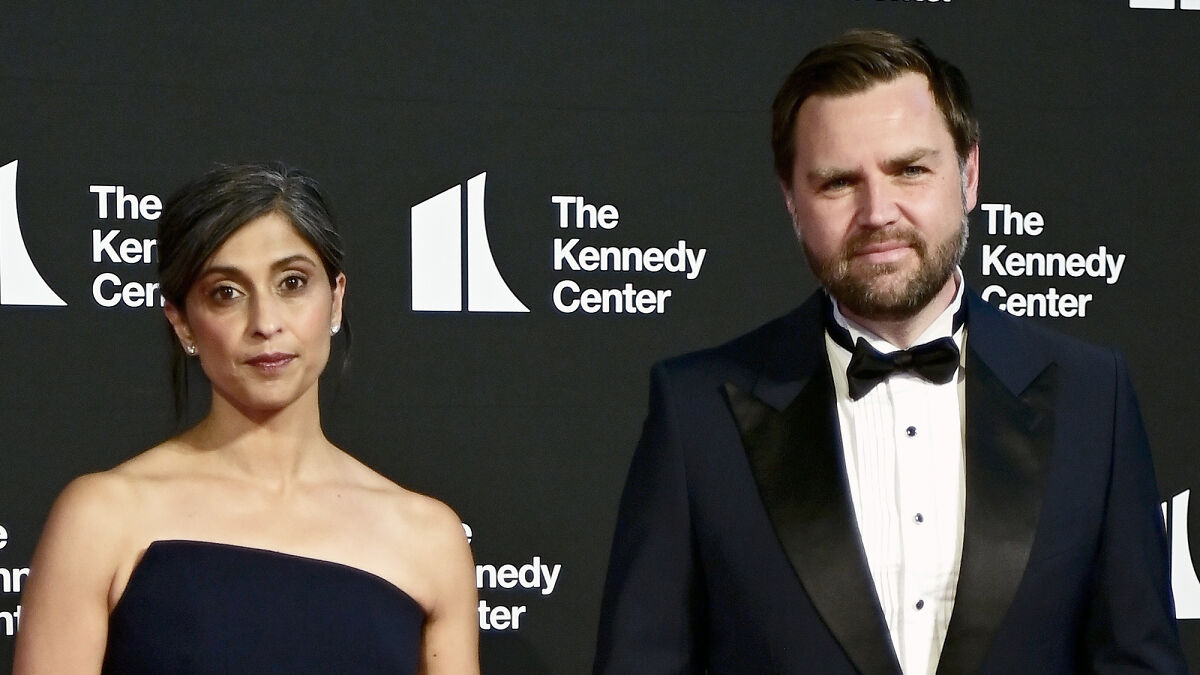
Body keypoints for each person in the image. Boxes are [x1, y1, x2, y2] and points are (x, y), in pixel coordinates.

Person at [593, 29, 1185, 674]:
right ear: (791, 200)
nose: (878, 211)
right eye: (838, 182)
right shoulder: (696, 412)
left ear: (969, 174)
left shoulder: (1092, 395)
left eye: (910, 169)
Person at [13, 162, 479, 674]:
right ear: (182, 323)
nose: (266, 323)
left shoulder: (429, 537)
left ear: (336, 300)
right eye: (226, 293)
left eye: (293, 282)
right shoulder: (101, 518)